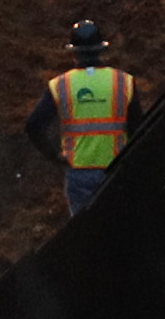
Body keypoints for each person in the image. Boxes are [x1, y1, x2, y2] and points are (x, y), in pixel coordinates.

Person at [22, 20, 147, 217]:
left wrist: (54, 155)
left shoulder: (61, 85)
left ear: (74, 52)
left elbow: (33, 125)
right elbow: (139, 128)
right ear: (101, 49)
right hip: (117, 169)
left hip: (79, 172)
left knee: (84, 234)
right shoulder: (123, 82)